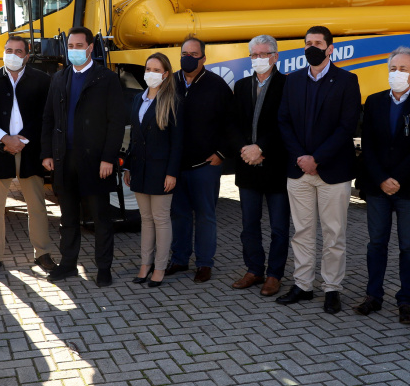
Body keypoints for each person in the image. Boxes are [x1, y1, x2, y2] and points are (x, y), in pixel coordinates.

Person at [276, 26, 362, 314]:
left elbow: (346, 127)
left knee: (333, 233)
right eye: (307, 43)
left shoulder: (348, 81)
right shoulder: (293, 81)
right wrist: (301, 157)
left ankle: (332, 288)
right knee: (302, 231)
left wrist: (317, 158)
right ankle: (302, 284)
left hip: (333, 172)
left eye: (317, 43)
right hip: (298, 170)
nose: (311, 47)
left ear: (330, 49)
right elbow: (284, 121)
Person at [354, 47, 410, 325]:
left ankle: (406, 301)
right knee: (376, 244)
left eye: (402, 69)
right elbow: (368, 146)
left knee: (409, 247)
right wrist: (381, 179)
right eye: (393, 68)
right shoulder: (375, 101)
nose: (396, 74)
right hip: (377, 187)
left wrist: (397, 179)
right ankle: (373, 296)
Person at [40, 26, 124, 287]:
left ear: (90, 48)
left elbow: (116, 122)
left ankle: (104, 268)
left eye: (79, 46)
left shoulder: (105, 79)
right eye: (71, 46)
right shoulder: (59, 78)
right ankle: (67, 265)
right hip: (65, 160)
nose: (74, 50)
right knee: (68, 218)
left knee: (101, 218)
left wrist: (109, 158)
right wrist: (47, 154)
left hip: (96, 162)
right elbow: (49, 118)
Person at [0, 36, 54, 275]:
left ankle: (43, 254)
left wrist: (22, 140)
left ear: (27, 55)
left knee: (37, 205)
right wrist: (4, 138)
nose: (13, 54)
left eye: (19, 51)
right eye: (9, 50)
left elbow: (44, 115)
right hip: (0, 150)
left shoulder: (41, 79)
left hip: (30, 151)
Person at [165, 36, 234, 283]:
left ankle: (204, 264)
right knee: (179, 214)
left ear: (204, 58)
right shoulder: (170, 82)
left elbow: (232, 124)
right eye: (185, 53)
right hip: (176, 166)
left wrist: (221, 154)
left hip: (206, 165)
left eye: (194, 54)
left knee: (206, 215)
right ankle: (180, 259)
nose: (188, 57)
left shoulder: (217, 85)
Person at [230, 35, 289, 297]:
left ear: (275, 57)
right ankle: (254, 270)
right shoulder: (241, 86)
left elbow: (286, 124)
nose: (258, 59)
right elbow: (232, 124)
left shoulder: (288, 85)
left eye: (264, 54)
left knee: (279, 227)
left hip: (275, 166)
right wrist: (245, 150)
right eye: (254, 55)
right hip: (247, 166)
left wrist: (261, 148)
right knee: (249, 225)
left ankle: (274, 275)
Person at [123, 53, 183, 288]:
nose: (151, 73)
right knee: (146, 220)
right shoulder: (138, 98)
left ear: (166, 74)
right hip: (139, 168)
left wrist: (172, 173)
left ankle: (159, 268)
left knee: (160, 219)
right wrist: (128, 165)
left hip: (161, 171)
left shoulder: (173, 100)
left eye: (157, 70)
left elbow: (177, 143)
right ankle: (145, 265)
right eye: (148, 68)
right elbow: (134, 137)